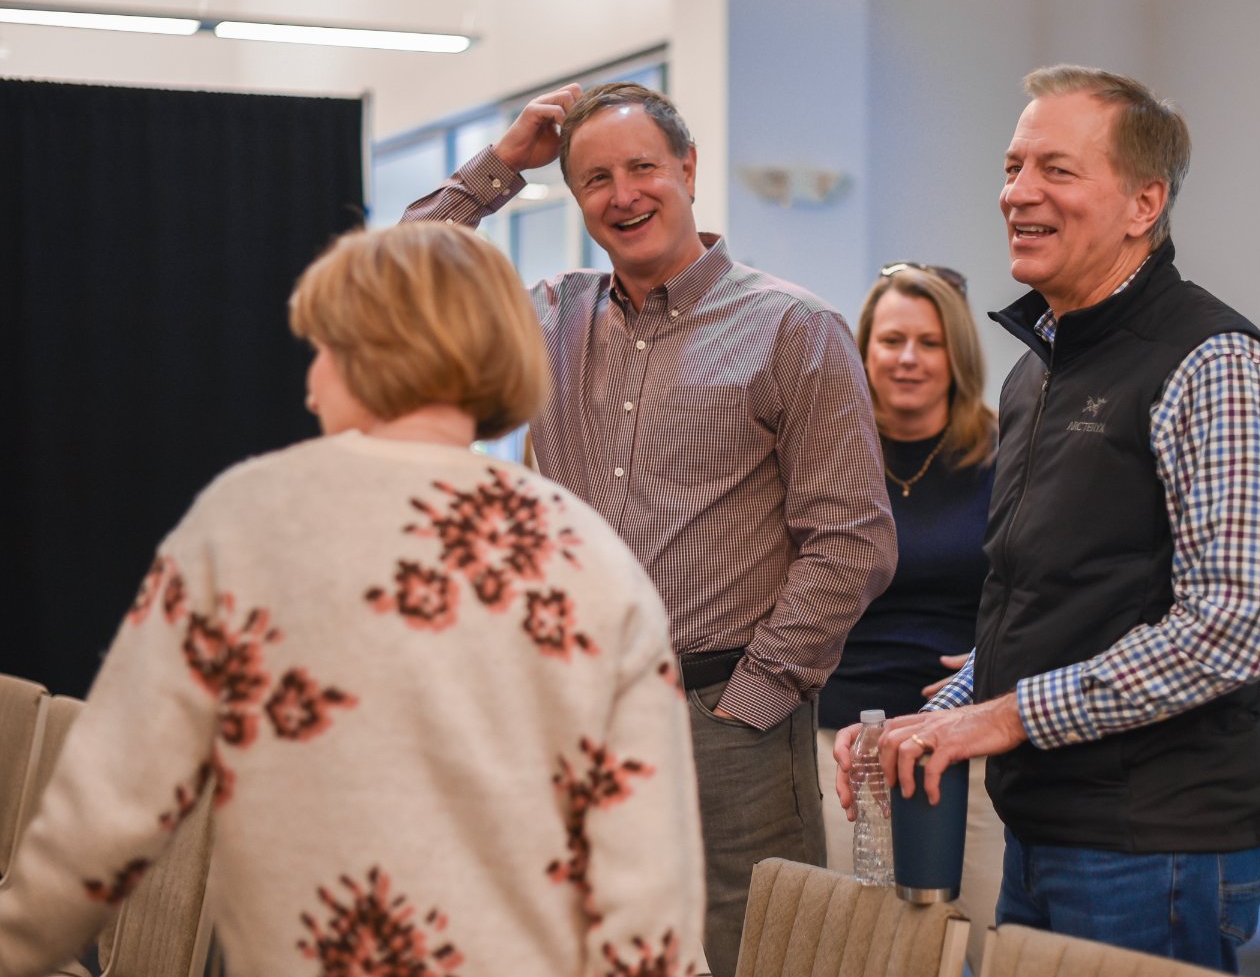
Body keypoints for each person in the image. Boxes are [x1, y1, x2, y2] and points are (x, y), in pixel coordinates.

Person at [0, 221, 705, 976]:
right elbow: (648, 874)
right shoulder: (587, 552)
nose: (310, 386)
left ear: (371, 352)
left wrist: (18, 945)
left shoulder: (249, 521)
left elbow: (110, 803)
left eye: (324, 351)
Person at [403, 82, 897, 977]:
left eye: (642, 168)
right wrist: (499, 168)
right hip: (572, 714)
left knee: (752, 956)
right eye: (595, 179)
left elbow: (851, 541)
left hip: (726, 718)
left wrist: (750, 701)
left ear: (689, 170)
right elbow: (393, 290)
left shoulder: (795, 329)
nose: (623, 195)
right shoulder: (548, 316)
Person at [836, 65, 1260, 974]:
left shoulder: (1215, 362)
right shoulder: (1034, 373)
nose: (1017, 193)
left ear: (1143, 202)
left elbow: (1230, 629)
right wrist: (942, 712)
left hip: (1158, 836)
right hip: (1044, 818)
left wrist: (1004, 719)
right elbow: (1055, 601)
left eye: (1055, 169)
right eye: (1012, 167)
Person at [814, 261, 1003, 971]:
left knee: (977, 939)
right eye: (891, 340)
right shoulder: (828, 453)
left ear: (958, 354)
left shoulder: (1005, 454)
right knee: (864, 948)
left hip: (966, 739)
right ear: (864, 351)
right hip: (848, 737)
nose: (908, 359)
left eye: (928, 342)